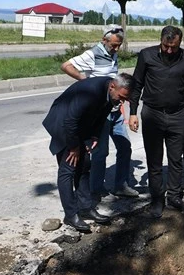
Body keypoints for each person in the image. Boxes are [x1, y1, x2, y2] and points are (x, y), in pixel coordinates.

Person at [42, 73, 134, 232]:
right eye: (121, 97)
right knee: (68, 169)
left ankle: (85, 208)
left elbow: (102, 114)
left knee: (84, 166)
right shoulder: (91, 92)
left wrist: (95, 135)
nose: (122, 102)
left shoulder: (111, 94)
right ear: (112, 86)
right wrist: (74, 147)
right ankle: (71, 215)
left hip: (80, 125)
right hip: (63, 123)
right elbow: (70, 119)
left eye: (126, 99)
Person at [60, 26, 142, 199]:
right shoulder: (92, 54)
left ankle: (120, 185)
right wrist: (84, 80)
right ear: (104, 40)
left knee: (125, 147)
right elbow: (66, 65)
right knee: (100, 152)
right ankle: (96, 189)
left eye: (119, 45)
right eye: (114, 45)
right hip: (100, 113)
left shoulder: (113, 54)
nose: (117, 49)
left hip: (115, 111)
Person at [127, 26, 184, 218]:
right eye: (166, 46)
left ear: (179, 43)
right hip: (153, 115)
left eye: (173, 47)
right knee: (155, 160)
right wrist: (133, 112)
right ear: (161, 41)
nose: (169, 50)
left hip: (178, 115)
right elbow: (137, 84)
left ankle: (174, 196)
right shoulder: (146, 55)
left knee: (176, 159)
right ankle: (157, 199)